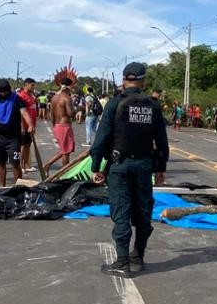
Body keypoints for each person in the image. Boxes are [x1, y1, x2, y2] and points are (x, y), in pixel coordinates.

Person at [91, 62, 170, 277]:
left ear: (124, 80)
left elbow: (102, 138)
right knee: (143, 211)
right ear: (143, 81)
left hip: (120, 166)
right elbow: (162, 141)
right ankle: (138, 255)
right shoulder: (153, 106)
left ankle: (123, 262)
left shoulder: (115, 104)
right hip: (145, 166)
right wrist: (161, 167)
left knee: (121, 212)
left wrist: (95, 166)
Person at [0, 79, 33, 188]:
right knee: (0, 163)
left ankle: (18, 188)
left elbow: (24, 112)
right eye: (1, 92)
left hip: (13, 137)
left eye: (5, 92)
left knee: (15, 163)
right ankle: (2, 187)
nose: (3, 94)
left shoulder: (16, 99)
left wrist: (30, 124)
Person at [44, 76, 77, 175]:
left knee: (64, 149)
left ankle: (48, 165)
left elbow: (51, 114)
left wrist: (54, 126)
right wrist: (78, 108)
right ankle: (64, 172)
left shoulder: (54, 98)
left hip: (57, 125)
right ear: (68, 87)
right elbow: (71, 113)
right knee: (66, 152)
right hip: (65, 126)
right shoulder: (67, 98)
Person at [17, 78, 40, 172]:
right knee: (22, 146)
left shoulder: (31, 96)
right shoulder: (21, 96)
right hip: (25, 126)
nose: (33, 87)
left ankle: (26, 165)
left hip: (31, 126)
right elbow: (21, 113)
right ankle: (20, 166)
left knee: (27, 145)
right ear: (26, 85)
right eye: (32, 85)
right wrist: (22, 126)